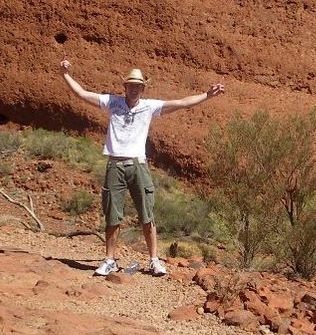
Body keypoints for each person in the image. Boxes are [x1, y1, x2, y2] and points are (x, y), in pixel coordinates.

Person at [60, 59, 225, 276]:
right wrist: (64, 74)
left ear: (143, 88)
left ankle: (154, 260)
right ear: (125, 87)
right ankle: (109, 260)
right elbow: (82, 94)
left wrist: (208, 95)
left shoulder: (150, 106)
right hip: (115, 165)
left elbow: (182, 103)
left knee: (147, 214)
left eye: (138, 86)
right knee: (112, 216)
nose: (134, 89)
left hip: (138, 165)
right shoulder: (112, 102)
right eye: (130, 85)